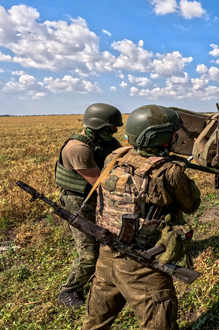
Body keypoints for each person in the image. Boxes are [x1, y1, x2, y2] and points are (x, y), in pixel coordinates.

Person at [82, 105, 201, 330]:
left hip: (107, 254)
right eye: (173, 133)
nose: (177, 136)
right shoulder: (168, 172)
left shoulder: (114, 157)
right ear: (163, 138)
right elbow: (191, 205)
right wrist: (179, 173)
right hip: (142, 263)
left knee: (95, 322)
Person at [55, 103, 123, 308]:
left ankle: (106, 277)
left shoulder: (109, 142)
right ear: (96, 127)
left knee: (110, 240)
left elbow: (122, 158)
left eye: (115, 129)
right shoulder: (78, 149)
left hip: (99, 199)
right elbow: (101, 183)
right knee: (89, 252)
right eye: (110, 129)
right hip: (79, 203)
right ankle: (69, 290)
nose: (114, 132)